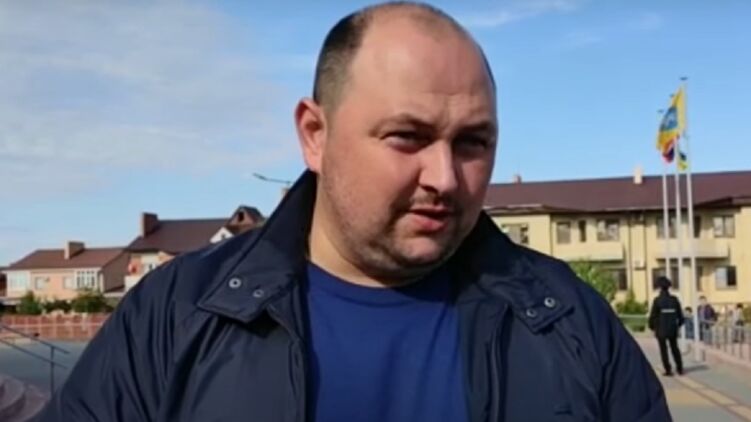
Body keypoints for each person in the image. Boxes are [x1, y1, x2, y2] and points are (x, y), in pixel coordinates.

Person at [36, 2, 670, 421]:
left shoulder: (568, 322)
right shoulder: (174, 317)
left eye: (473, 143)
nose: (444, 177)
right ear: (315, 134)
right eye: (407, 137)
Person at [648, 276, 685, 376]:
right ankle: (680, 368)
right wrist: (678, 325)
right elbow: (681, 316)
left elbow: (653, 315)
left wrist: (652, 327)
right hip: (672, 329)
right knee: (675, 348)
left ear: (659, 287)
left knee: (663, 350)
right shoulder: (674, 300)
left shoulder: (657, 300)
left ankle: (668, 369)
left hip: (661, 329)